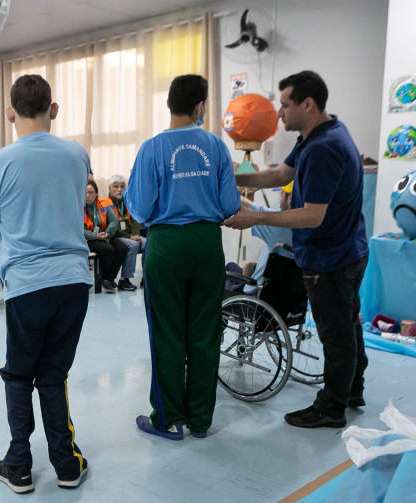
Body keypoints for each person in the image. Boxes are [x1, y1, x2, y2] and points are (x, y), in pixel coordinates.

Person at [224, 70, 369, 429]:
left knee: (335, 334)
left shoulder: (324, 148)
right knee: (348, 325)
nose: (279, 113)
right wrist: (230, 177)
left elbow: (312, 216)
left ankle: (331, 407)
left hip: (331, 257)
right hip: (349, 248)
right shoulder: (320, 133)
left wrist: (254, 216)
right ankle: (352, 389)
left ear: (308, 103)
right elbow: (280, 176)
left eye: (285, 104)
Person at [0, 74, 93, 494]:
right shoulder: (77, 154)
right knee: (53, 372)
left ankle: (19, 464)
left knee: (18, 374)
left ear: (10, 112)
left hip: (27, 284)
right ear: (54, 109)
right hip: (74, 281)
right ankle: (66, 464)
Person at [125, 74, 240, 441]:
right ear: (200, 106)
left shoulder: (151, 149)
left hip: (167, 244)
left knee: (167, 332)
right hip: (207, 243)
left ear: (169, 104)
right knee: (205, 333)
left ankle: (169, 418)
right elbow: (230, 206)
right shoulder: (217, 147)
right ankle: (201, 419)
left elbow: (140, 209)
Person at [84, 180, 127, 294]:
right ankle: (104, 279)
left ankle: (108, 278)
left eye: (91, 192)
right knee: (108, 250)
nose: (87, 196)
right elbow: (78, 229)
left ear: (96, 193)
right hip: (89, 238)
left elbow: (113, 220)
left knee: (122, 248)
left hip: (104, 235)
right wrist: (95, 236)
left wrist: (107, 234)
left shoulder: (103, 204)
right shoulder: (78, 207)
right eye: (85, 193)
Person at [107, 174, 143, 291]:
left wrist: (136, 234)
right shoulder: (105, 203)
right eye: (116, 187)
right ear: (110, 188)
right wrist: (129, 237)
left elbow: (134, 220)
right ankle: (125, 280)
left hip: (131, 236)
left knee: (148, 243)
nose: (119, 190)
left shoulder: (127, 201)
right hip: (116, 236)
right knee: (133, 245)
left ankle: (147, 277)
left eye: (122, 187)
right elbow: (110, 227)